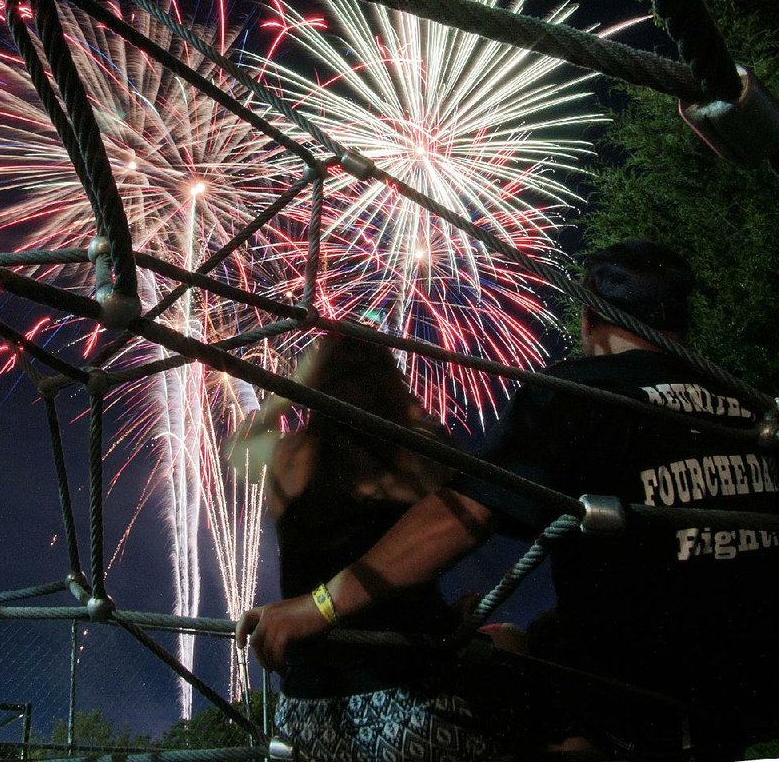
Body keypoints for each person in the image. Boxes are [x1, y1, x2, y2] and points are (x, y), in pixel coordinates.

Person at [239, 241, 779, 761]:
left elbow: (469, 514)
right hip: (749, 685)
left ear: (591, 321)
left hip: (637, 696)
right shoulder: (754, 405)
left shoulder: (577, 394)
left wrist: (319, 605)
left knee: (527, 656)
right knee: (521, 642)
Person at [238, 333, 522, 762]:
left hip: (309, 714)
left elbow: (238, 451)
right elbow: (466, 513)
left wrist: (292, 385)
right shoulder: (421, 453)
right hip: (418, 703)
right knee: (515, 649)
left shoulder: (287, 456)